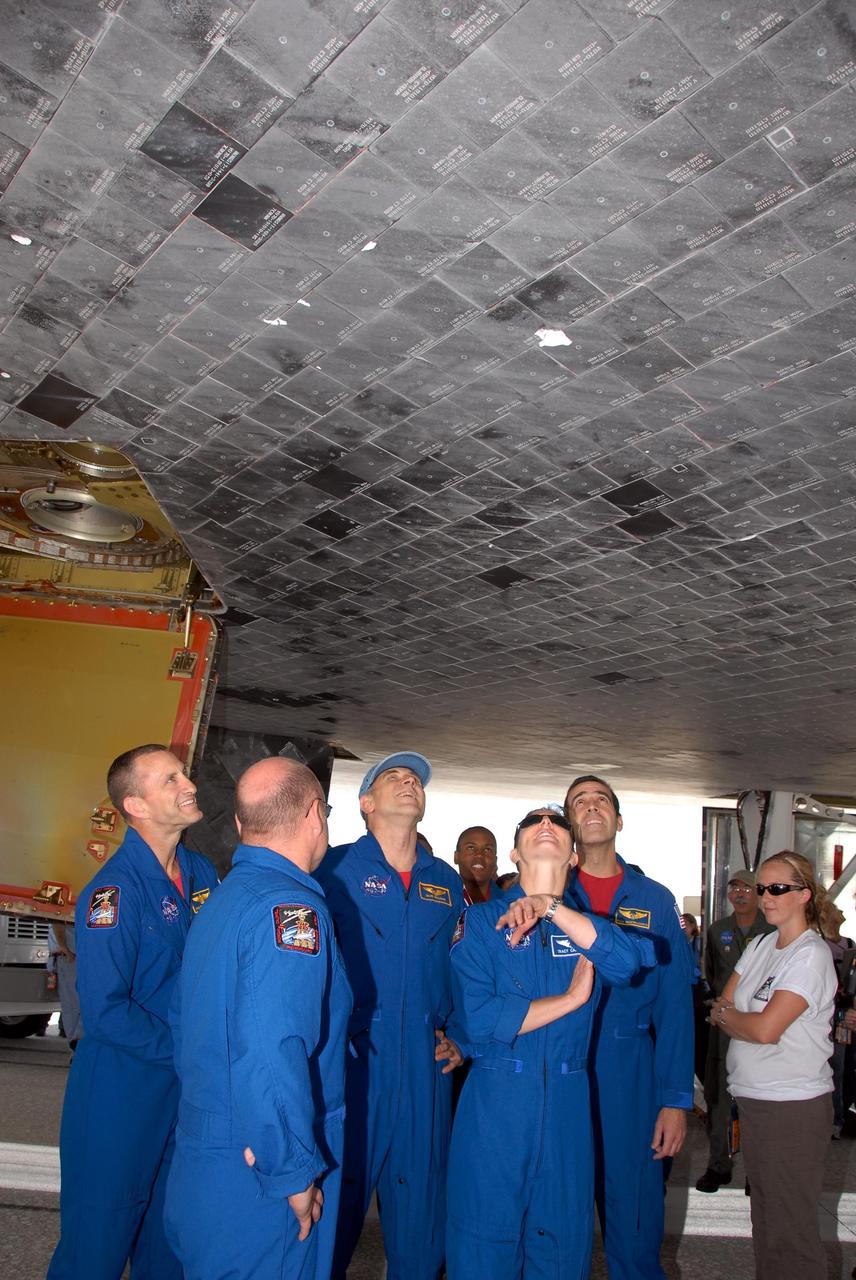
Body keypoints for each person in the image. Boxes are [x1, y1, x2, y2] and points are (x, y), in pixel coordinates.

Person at [165, 758, 351, 1280]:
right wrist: (292, 1172)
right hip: (261, 1164)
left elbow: (186, 1022)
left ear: (244, 825)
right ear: (316, 815)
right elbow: (273, 1051)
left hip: (211, 1152)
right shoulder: (291, 913)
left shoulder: (225, 899)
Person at [446, 807, 652, 1279]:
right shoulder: (480, 923)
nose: (546, 825)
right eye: (532, 824)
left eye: (558, 824)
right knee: (482, 1240)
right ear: (515, 853)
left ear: (575, 856)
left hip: (567, 1107)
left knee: (561, 1244)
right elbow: (480, 1021)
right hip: (496, 1106)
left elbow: (626, 963)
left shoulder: (586, 927)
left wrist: (552, 908)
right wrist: (571, 999)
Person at [48, 744, 218, 1280]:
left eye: (184, 774)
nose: (188, 785)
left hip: (183, 1095)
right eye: (170, 779)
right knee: (94, 1251)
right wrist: (190, 1050)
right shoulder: (112, 893)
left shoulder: (203, 874)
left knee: (169, 1247)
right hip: (120, 1093)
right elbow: (104, 1011)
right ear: (135, 805)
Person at [315, 751, 464, 1280]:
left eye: (415, 780)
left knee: (423, 1224)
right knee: (331, 1220)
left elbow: (464, 968)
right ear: (366, 802)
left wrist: (461, 1036)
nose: (408, 784)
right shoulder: (330, 871)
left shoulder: (444, 881)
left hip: (426, 1066)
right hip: (354, 1063)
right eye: (393, 778)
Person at [564, 774, 693, 1280]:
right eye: (580, 801)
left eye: (602, 800)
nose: (591, 806)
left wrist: (675, 1100)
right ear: (569, 821)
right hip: (560, 1066)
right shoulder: (545, 892)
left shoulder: (655, 900)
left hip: (629, 1075)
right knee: (556, 1214)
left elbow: (675, 1011)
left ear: (617, 820)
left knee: (635, 1216)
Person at [711, 851, 837, 1280]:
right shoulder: (764, 945)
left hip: (792, 1107)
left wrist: (730, 1017)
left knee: (791, 1230)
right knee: (766, 1222)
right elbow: (724, 1004)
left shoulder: (810, 955)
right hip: (755, 1101)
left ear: (804, 894)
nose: (765, 897)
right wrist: (732, 1016)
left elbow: (765, 1029)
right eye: (762, 888)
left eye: (777, 888)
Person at [697, 868, 774, 1192]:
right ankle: (719, 1165)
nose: (740, 894)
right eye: (734, 888)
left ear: (758, 892)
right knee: (718, 1099)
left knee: (758, 1099)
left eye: (746, 887)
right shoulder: (717, 931)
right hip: (725, 1029)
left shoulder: (772, 932)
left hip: (761, 1026)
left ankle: (757, 1172)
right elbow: (711, 974)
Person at [818, 897, 856, 1137]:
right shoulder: (819, 946)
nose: (840, 910)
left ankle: (843, 1117)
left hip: (846, 1014)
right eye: (835, 908)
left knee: (845, 1067)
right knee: (833, 1066)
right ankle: (832, 1118)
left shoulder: (850, 943)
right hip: (829, 1014)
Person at [47, 921, 83, 1054]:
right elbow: (57, 921)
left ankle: (77, 1048)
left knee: (75, 1007)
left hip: (69, 957)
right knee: (74, 1008)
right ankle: (76, 1048)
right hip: (69, 958)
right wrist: (65, 950)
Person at [453, 825, 499, 904]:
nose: (479, 854)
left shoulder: (511, 905)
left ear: (495, 860)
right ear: (456, 857)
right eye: (471, 848)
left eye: (487, 849)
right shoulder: (441, 898)